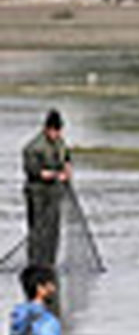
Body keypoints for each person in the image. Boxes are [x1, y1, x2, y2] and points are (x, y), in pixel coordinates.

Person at [22, 109, 72, 266]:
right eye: (54, 130)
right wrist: (57, 175)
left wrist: (67, 169)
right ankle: (35, 262)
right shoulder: (33, 147)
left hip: (54, 193)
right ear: (46, 129)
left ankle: (49, 262)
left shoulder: (60, 143)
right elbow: (35, 172)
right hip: (37, 193)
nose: (56, 134)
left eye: (59, 130)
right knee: (37, 230)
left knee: (53, 230)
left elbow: (66, 157)